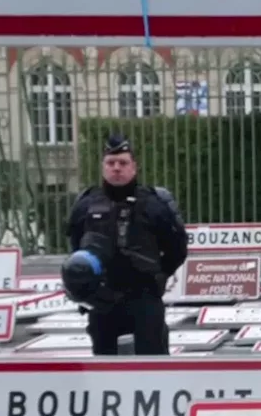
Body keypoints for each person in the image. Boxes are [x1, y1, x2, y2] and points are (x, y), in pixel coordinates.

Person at [65, 135, 188, 355]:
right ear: (103, 167)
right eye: (111, 163)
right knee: (105, 369)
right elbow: (76, 247)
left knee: (153, 367)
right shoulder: (86, 204)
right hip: (101, 300)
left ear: (134, 167)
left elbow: (177, 247)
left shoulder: (154, 204)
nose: (116, 169)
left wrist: (159, 275)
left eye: (123, 163)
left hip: (144, 298)